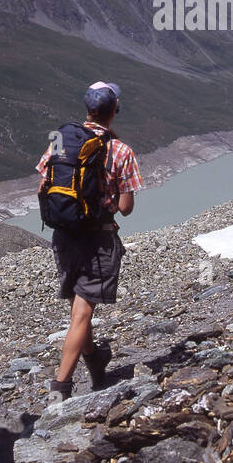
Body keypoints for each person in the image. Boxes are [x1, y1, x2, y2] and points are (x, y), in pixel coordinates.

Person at [35, 81, 143, 403]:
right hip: (98, 238)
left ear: (87, 109)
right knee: (81, 315)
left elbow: (43, 183)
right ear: (115, 111)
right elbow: (125, 208)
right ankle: (61, 387)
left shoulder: (58, 138)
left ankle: (95, 361)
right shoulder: (121, 151)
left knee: (78, 312)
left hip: (64, 235)